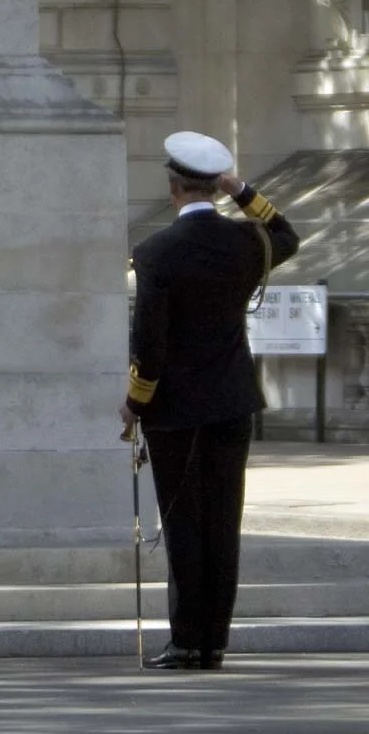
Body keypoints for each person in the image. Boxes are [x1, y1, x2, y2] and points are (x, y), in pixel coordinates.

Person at [119, 130, 300, 670]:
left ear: (174, 188)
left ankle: (186, 640)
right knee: (223, 522)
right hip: (231, 403)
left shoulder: (155, 252)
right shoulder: (246, 242)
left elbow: (149, 345)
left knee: (183, 524)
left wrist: (135, 403)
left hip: (175, 409)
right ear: (213, 187)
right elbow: (286, 234)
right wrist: (243, 190)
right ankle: (213, 642)